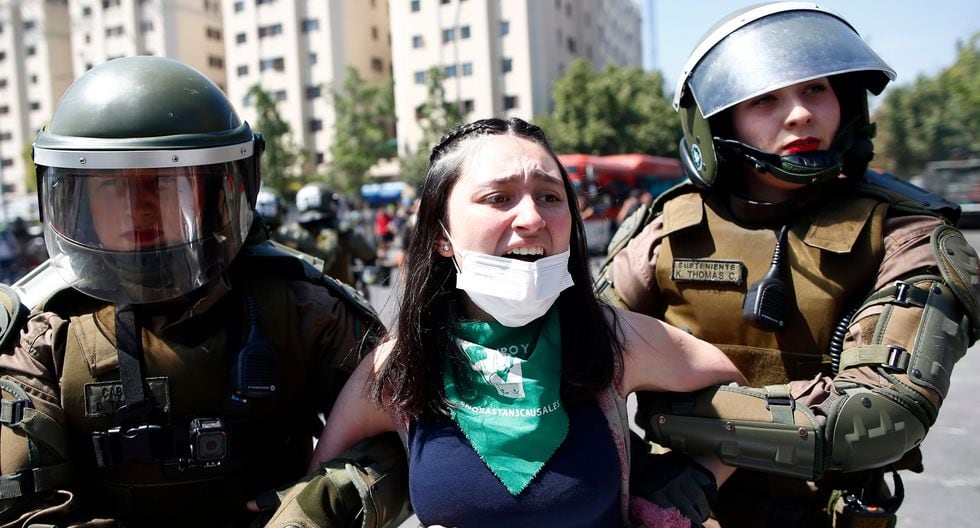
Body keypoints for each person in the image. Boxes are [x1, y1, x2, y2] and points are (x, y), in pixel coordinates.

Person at [596, 4, 980, 527]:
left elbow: (876, 419)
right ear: (716, 124)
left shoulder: (904, 234)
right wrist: (642, 469)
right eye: (765, 98)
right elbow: (580, 360)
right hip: (678, 511)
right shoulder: (664, 229)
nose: (800, 114)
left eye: (816, 90)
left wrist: (670, 418)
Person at [0, 56, 392, 527]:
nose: (138, 210)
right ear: (77, 203)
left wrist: (325, 503)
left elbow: (414, 433)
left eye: (165, 185)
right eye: (110, 186)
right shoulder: (43, 337)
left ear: (219, 191)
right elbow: (22, 508)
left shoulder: (305, 309)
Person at [304, 117, 747, 528]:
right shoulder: (401, 365)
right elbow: (319, 492)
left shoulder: (616, 338)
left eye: (550, 196)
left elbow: (741, 403)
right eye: (498, 198)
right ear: (442, 234)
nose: (533, 218)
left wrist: (694, 485)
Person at [277, 182, 377, 287]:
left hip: (299, 298)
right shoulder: (344, 232)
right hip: (340, 298)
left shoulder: (288, 234)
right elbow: (369, 255)